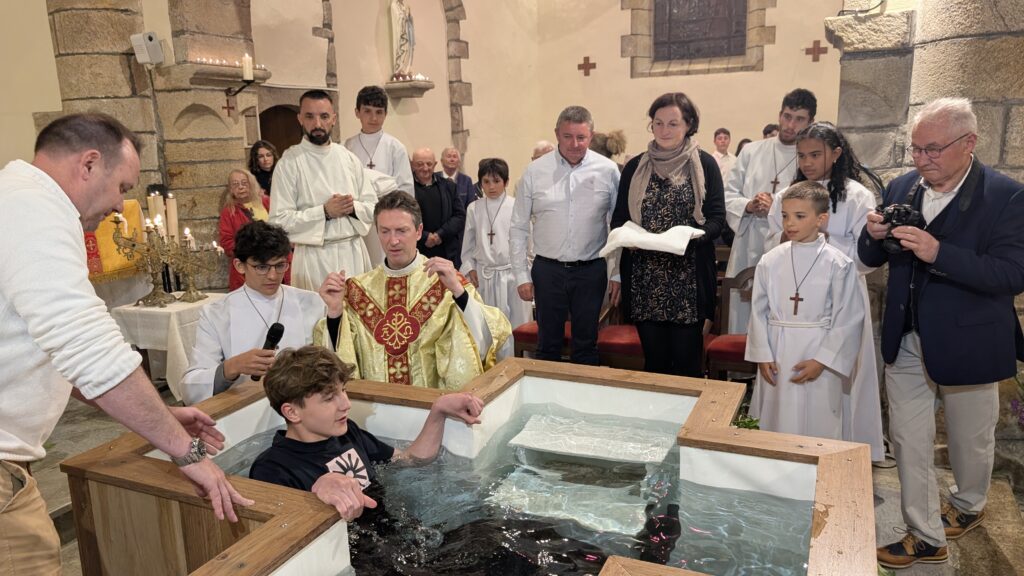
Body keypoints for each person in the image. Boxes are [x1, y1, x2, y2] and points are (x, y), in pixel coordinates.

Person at [0, 113, 251, 573]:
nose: (120, 206)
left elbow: (54, 354)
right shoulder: (33, 209)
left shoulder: (17, 198)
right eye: (122, 187)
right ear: (89, 164)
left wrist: (160, 418)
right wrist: (186, 451)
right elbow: (87, 347)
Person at [861, 98, 1024, 569]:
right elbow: (870, 257)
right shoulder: (902, 186)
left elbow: (1012, 274)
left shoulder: (1007, 196)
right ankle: (924, 534)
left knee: (970, 440)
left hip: (970, 339)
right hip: (906, 335)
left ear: (968, 142)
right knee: (907, 438)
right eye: (915, 149)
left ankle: (969, 504)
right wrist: (873, 235)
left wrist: (939, 253)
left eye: (932, 149)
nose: (922, 159)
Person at [764, 122, 884, 460]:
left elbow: (866, 256)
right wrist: (794, 236)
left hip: (841, 300)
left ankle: (845, 453)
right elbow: (771, 244)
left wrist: (823, 241)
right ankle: (787, 447)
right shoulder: (787, 196)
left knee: (841, 383)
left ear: (836, 153)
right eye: (802, 156)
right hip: (795, 304)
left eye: (815, 155)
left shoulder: (857, 196)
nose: (807, 162)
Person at [250, 345, 483, 518]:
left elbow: (410, 461)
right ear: (292, 412)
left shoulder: (346, 432)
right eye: (329, 398)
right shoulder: (271, 470)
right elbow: (289, 542)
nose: (346, 404)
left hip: (400, 540)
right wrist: (313, 498)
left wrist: (438, 411)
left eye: (343, 390)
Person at [316, 191, 512, 389]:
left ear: (419, 231)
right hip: (376, 403)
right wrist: (335, 313)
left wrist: (459, 294)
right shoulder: (358, 291)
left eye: (401, 231)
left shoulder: (445, 282)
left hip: (430, 403)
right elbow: (337, 364)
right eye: (385, 231)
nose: (393, 241)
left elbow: (486, 342)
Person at [609, 92, 726, 376]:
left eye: (673, 123)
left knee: (687, 366)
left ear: (689, 125)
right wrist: (630, 238)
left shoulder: (704, 164)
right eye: (658, 123)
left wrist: (689, 238)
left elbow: (717, 219)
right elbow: (619, 219)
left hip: (688, 279)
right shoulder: (635, 167)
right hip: (645, 279)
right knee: (655, 364)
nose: (664, 130)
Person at [746, 182, 867, 448]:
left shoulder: (839, 264)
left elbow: (848, 318)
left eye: (800, 216)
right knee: (774, 421)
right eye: (785, 215)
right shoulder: (770, 260)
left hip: (817, 352)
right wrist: (762, 353)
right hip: (776, 352)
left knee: (817, 422)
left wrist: (822, 361)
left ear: (821, 219)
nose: (790, 223)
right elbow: (758, 310)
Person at [510, 106, 620, 365]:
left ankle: (583, 391)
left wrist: (616, 273)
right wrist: (521, 275)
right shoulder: (535, 171)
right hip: (547, 271)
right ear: (557, 134)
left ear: (591, 136)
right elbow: (518, 226)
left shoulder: (608, 171)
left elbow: (617, 227)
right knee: (547, 345)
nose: (575, 144)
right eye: (568, 136)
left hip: (591, 270)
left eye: (581, 137)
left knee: (587, 346)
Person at [181, 221, 325, 405]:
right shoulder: (216, 313)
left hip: (304, 405)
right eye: (262, 267)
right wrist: (232, 366)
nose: (273, 276)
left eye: (280, 265)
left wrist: (335, 313)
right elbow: (191, 386)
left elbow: (331, 359)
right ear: (239, 265)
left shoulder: (311, 302)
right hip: (245, 408)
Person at [723, 88, 816, 333]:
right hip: (748, 242)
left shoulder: (809, 159)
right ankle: (741, 358)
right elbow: (727, 195)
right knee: (743, 313)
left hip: (788, 245)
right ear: (779, 114)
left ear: (810, 122)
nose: (790, 125)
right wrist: (749, 205)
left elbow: (814, 202)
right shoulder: (751, 151)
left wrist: (775, 206)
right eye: (787, 116)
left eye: (799, 119)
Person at [270, 89, 378, 292]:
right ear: (300, 119)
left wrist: (352, 208)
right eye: (310, 116)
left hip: (352, 252)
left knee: (356, 310)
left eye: (324, 116)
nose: (317, 124)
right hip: (313, 259)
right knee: (318, 311)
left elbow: (373, 208)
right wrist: (324, 212)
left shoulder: (348, 158)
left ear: (334, 119)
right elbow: (278, 222)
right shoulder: (289, 163)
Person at [461, 158, 532, 329]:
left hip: (513, 276)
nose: (491, 187)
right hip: (484, 276)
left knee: (517, 325)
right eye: (486, 182)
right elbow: (468, 245)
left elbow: (529, 244)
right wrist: (470, 268)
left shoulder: (517, 206)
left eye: (496, 181)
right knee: (487, 326)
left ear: (506, 182)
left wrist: (526, 275)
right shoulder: (474, 208)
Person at [219, 168, 288, 290]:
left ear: (251, 183)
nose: (241, 187)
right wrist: (251, 253)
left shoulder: (267, 202)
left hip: (275, 263)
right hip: (249, 269)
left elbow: (283, 226)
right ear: (230, 189)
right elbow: (226, 241)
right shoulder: (228, 211)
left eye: (244, 183)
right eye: (235, 184)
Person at [343, 86, 414, 194]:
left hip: (389, 204)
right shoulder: (346, 147)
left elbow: (406, 190)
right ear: (357, 112)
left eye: (379, 112)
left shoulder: (396, 148)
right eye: (367, 111)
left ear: (385, 114)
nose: (374, 118)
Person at [411, 147, 466, 267]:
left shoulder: (449, 186)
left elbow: (460, 216)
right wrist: (424, 236)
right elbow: (402, 220)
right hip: (415, 252)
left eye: (429, 164)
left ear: (435, 164)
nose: (425, 168)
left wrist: (440, 234)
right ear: (412, 164)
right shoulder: (406, 188)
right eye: (420, 164)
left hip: (446, 251)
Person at [390, 0, 415, 79]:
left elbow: (409, 22)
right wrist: (405, 16)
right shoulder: (394, 5)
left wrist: (409, 16)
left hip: (406, 34)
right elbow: (397, 20)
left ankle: (405, 70)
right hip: (401, 36)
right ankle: (399, 69)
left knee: (407, 51)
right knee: (402, 50)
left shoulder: (403, 6)